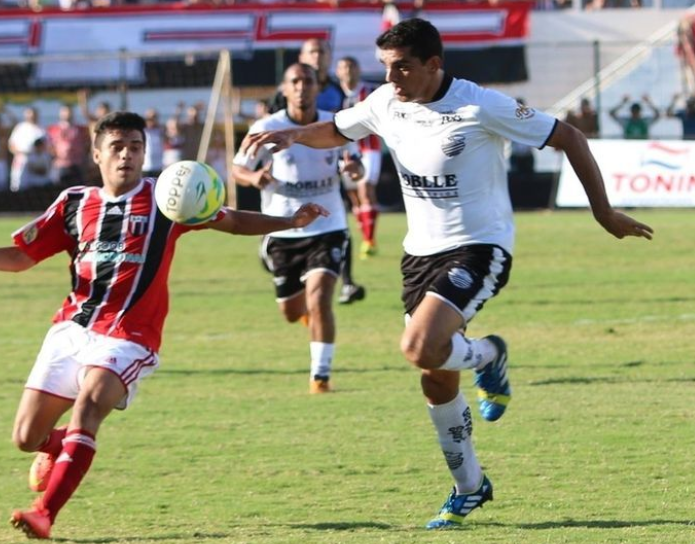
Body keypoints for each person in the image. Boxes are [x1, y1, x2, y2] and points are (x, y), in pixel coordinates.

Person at [241, 18, 653, 529]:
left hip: (479, 248)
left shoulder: (479, 104)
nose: (391, 79)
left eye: (403, 68)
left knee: (417, 345)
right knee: (435, 380)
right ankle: (470, 487)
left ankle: (489, 354)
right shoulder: (386, 103)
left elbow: (568, 137)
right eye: (386, 67)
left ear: (434, 65)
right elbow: (340, 127)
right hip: (419, 256)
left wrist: (604, 213)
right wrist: (293, 134)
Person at [0, 111, 329, 540]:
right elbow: (21, 258)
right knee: (26, 437)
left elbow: (230, 220)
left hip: (130, 338)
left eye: (135, 147)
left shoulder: (168, 199)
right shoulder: (74, 203)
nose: (127, 155)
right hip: (72, 329)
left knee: (88, 407)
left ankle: (44, 513)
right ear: (97, 154)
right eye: (117, 147)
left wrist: (288, 222)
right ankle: (59, 445)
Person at [232, 63, 363, 395]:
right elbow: (238, 169)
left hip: (328, 224)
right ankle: (312, 324)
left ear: (317, 87)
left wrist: (353, 169)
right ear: (285, 89)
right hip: (283, 227)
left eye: (307, 81)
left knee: (320, 299)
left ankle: (320, 376)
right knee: (292, 312)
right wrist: (254, 177)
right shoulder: (266, 127)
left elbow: (357, 170)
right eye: (295, 82)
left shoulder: (337, 123)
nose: (302, 87)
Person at [271, 38, 365, 304]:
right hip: (290, 166)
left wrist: (348, 158)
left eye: (322, 52)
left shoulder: (337, 92)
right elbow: (273, 124)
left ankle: (346, 280)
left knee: (338, 217)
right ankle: (273, 248)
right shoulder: (285, 91)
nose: (317, 56)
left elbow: (345, 126)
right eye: (312, 52)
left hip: (328, 161)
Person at [336, 55, 384, 259]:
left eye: (351, 67)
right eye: (344, 67)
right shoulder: (334, 95)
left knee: (365, 189)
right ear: (338, 72)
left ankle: (369, 240)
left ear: (358, 70)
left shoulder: (371, 92)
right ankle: (364, 234)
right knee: (354, 196)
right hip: (345, 150)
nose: (348, 71)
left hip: (369, 148)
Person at [8, 107, 51, 191]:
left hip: (37, 161)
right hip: (21, 162)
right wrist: (21, 154)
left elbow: (47, 147)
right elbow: (11, 146)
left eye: (33, 115)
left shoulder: (42, 129)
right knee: (18, 188)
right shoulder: (20, 128)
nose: (31, 117)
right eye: (29, 114)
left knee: (37, 188)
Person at [46, 104, 89, 185]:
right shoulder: (53, 129)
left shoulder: (80, 129)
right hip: (60, 165)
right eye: (64, 111)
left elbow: (86, 144)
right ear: (60, 113)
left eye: (69, 111)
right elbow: (48, 146)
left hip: (77, 165)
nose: (67, 114)